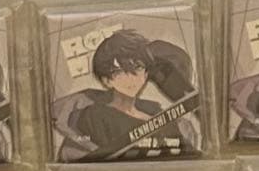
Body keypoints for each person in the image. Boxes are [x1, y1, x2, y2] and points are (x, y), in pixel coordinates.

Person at [54, 29, 194, 160]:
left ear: (146, 74)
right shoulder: (95, 117)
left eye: (137, 68)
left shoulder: (160, 115)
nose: (131, 78)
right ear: (107, 80)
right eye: (120, 71)